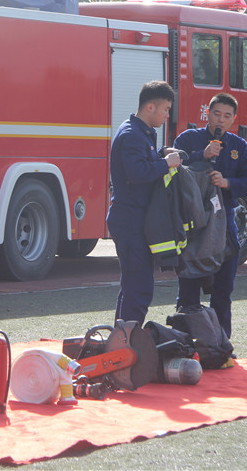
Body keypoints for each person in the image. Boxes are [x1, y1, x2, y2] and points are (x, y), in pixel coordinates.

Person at [173, 92, 247, 338]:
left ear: (233, 119)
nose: (221, 120)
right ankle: (183, 342)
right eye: (217, 114)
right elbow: (171, 165)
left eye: (227, 116)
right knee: (188, 287)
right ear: (207, 114)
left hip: (225, 223)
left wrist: (227, 182)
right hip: (191, 224)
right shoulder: (189, 139)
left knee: (223, 288)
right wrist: (202, 155)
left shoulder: (238, 145)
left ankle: (221, 345)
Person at [108, 80, 182, 324]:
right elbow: (137, 174)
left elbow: (142, 163)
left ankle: (122, 341)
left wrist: (161, 154)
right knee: (139, 288)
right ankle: (128, 343)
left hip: (133, 219)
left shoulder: (141, 133)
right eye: (166, 109)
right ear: (150, 107)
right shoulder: (132, 134)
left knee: (132, 286)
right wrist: (165, 164)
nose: (167, 115)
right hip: (130, 220)